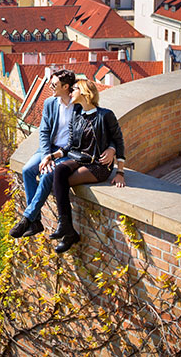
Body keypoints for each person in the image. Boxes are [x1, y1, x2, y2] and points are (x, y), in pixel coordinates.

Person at [48, 79, 126, 254]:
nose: (70, 93)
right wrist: (52, 155)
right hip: (80, 158)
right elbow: (69, 145)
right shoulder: (76, 114)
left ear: (84, 92)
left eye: (73, 89)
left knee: (59, 182)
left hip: (98, 165)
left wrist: (120, 171)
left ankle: (68, 231)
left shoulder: (105, 115)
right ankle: (66, 227)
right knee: (59, 171)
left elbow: (119, 140)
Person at [9, 68, 76, 239]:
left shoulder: (79, 106)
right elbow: (44, 132)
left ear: (66, 86)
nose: (50, 87)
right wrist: (47, 154)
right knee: (27, 170)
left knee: (47, 175)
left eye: (54, 84)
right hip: (50, 148)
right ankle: (36, 221)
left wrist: (55, 157)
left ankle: (27, 218)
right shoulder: (50, 103)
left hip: (67, 153)